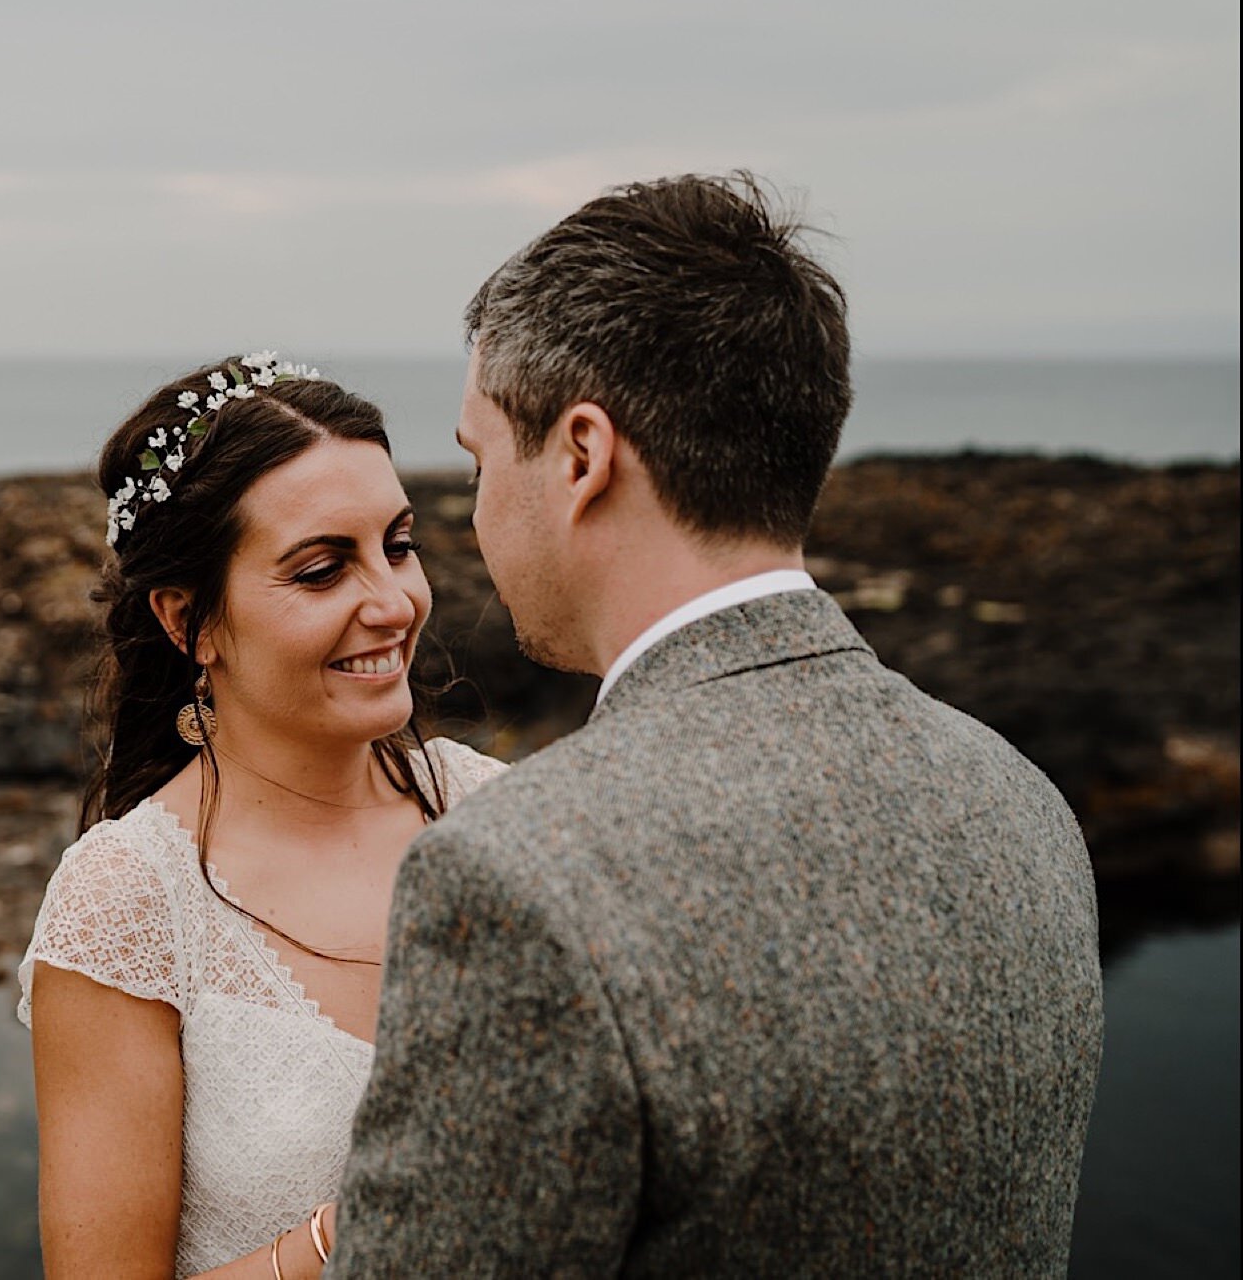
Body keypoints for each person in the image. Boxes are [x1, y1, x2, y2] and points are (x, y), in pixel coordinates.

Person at [327, 175, 1105, 1277]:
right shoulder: (1019, 798)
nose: (475, 508)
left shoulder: (517, 879)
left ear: (582, 456)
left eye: (477, 459)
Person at [18, 353, 506, 1278]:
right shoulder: (125, 900)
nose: (394, 602)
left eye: (397, 545)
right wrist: (356, 1228)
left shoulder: (491, 812)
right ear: (189, 621)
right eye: (323, 570)